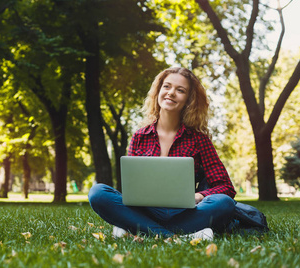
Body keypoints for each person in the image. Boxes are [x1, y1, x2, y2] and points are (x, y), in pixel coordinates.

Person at [88, 67, 236, 241]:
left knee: (224, 203)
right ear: (158, 91)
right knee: (98, 193)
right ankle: (177, 236)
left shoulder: (199, 139)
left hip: (185, 212)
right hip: (146, 210)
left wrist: (197, 196)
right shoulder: (139, 137)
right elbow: (132, 188)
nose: (171, 93)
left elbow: (226, 187)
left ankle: (137, 228)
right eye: (167, 86)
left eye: (180, 90)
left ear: (189, 100)